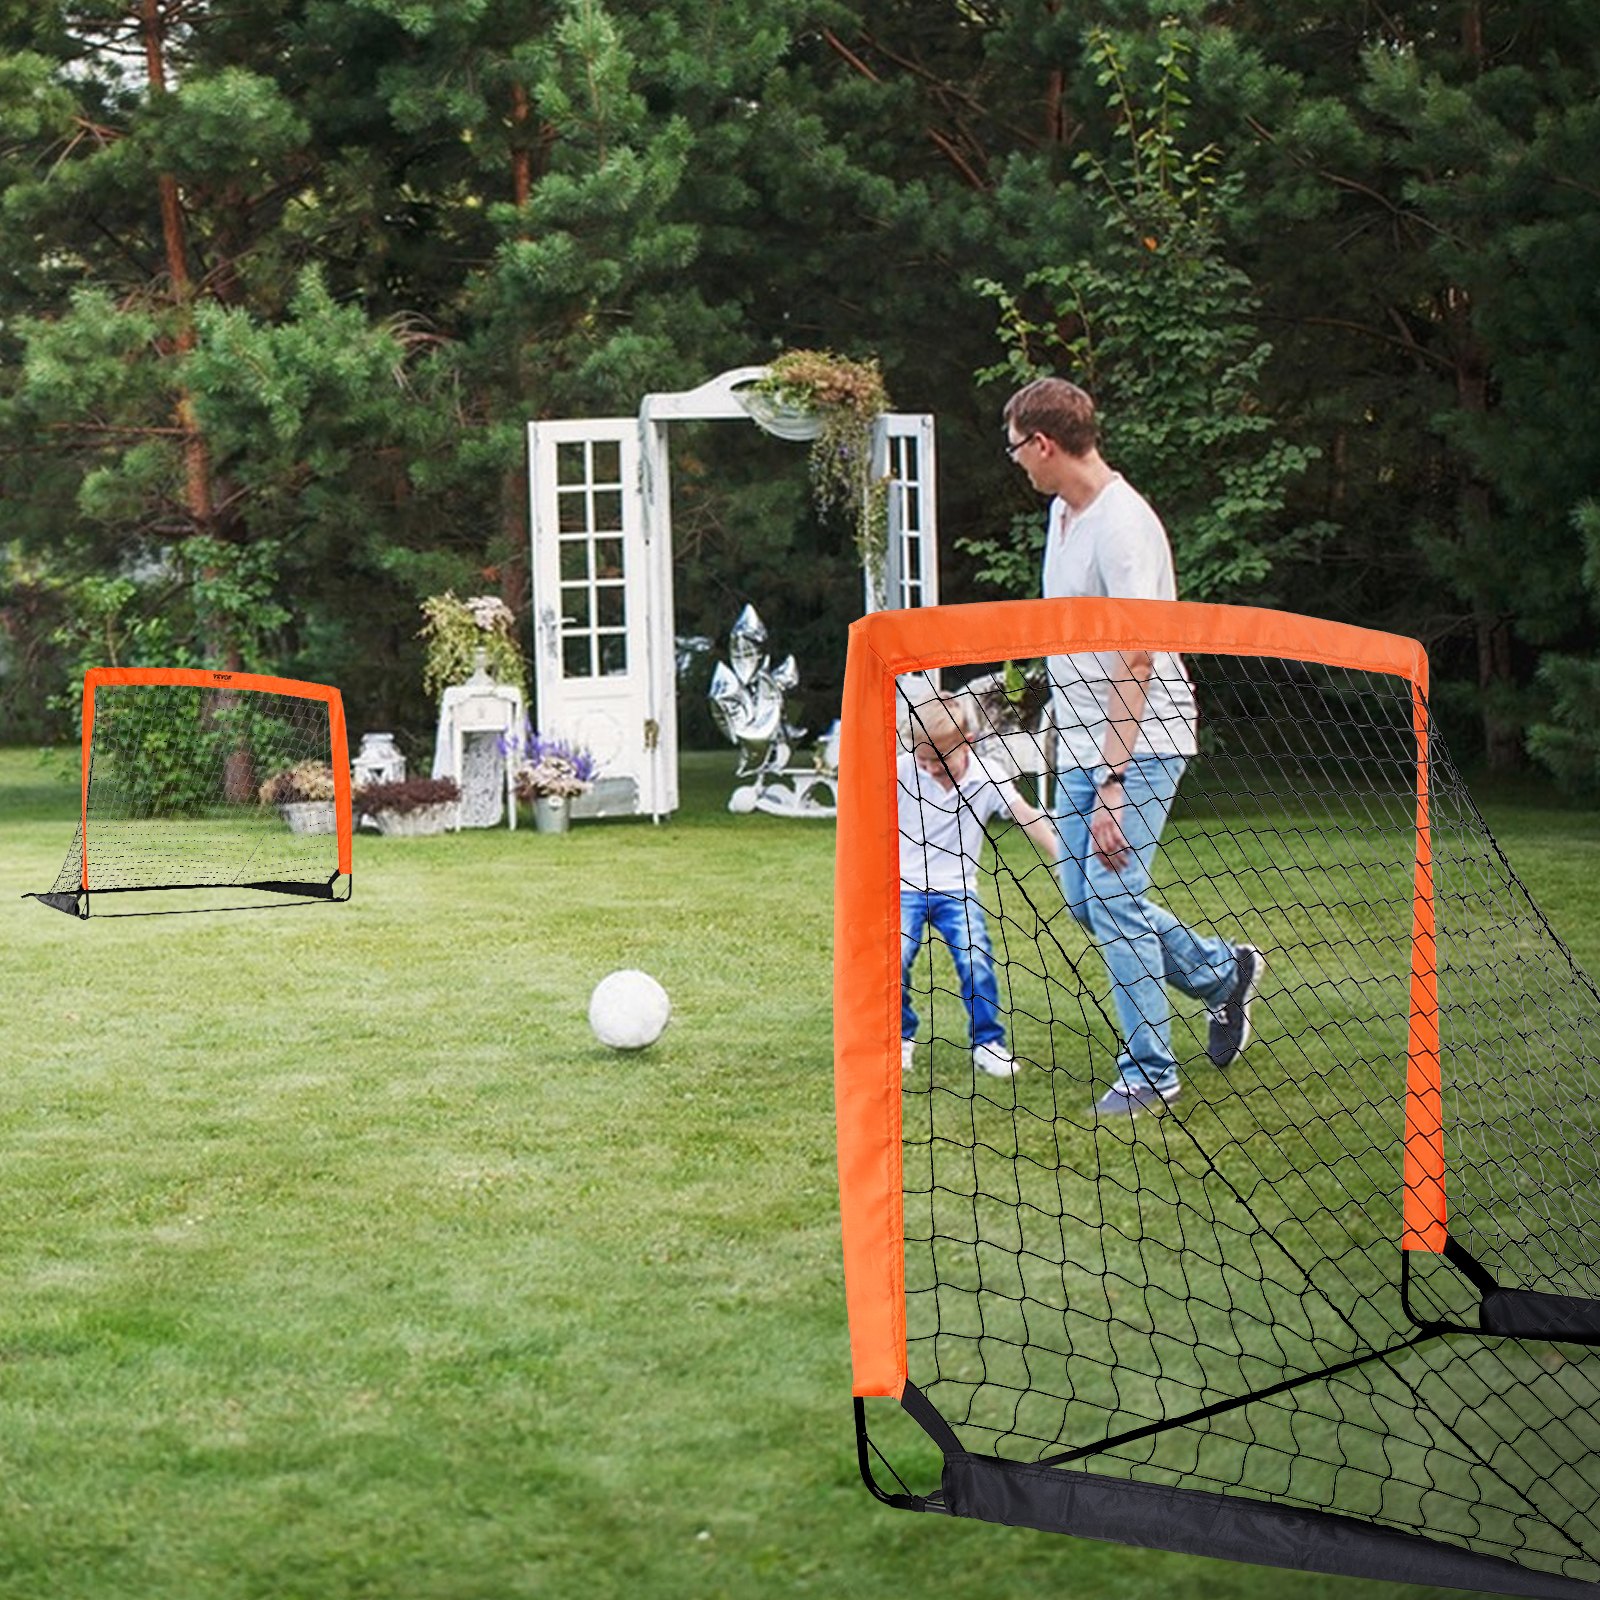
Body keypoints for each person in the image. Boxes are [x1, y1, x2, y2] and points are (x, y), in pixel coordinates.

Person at [1003, 376, 1263, 1118]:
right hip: (1083, 739)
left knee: (1114, 898)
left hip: (1141, 741)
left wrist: (1114, 781)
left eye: (1017, 446)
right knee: (1086, 900)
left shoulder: (1123, 525)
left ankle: (1150, 1071)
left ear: (1045, 443)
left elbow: (1140, 659)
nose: (1016, 461)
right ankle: (1222, 974)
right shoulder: (1061, 513)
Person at [899, 694, 1059, 1079]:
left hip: (957, 890)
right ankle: (900, 1038)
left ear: (967, 741)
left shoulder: (988, 774)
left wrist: (1060, 854)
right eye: (925, 762)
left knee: (975, 960)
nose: (933, 770)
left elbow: (1025, 815)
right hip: (902, 889)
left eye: (941, 762)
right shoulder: (901, 770)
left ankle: (988, 1042)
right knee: (896, 960)